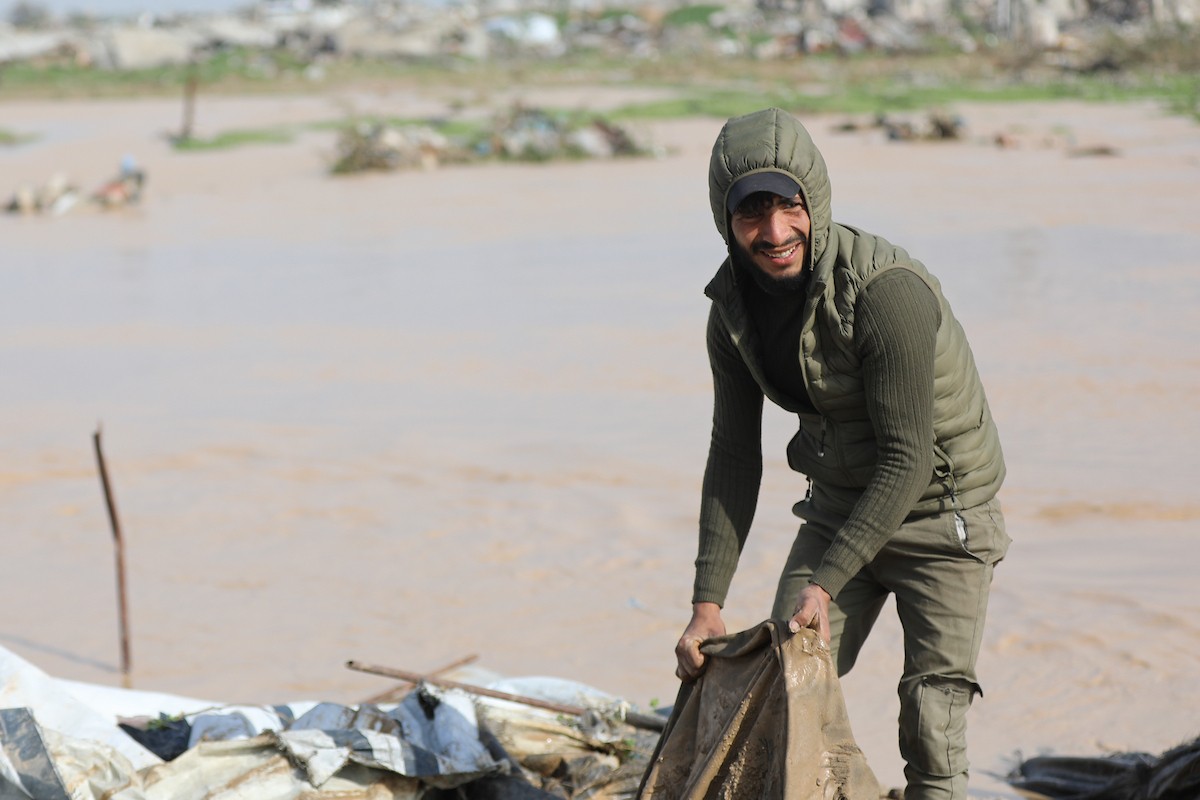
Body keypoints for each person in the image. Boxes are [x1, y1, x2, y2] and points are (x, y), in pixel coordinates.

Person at [673, 107, 1010, 800]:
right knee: (784, 681)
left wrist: (822, 583)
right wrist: (708, 601)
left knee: (930, 720)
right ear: (724, 218)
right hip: (839, 503)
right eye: (751, 215)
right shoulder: (732, 307)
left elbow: (908, 456)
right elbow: (734, 452)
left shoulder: (886, 293)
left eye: (789, 207)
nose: (774, 234)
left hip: (942, 515)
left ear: (815, 202)